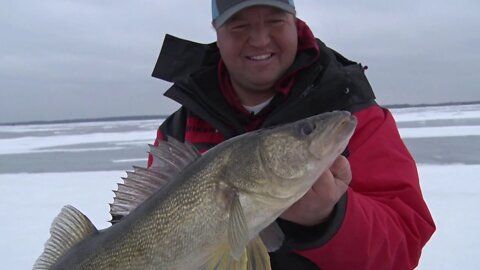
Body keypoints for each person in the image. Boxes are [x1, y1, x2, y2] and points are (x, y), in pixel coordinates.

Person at [148, 0, 436, 269]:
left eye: (275, 21)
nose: (260, 39)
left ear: (294, 21)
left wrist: (329, 220)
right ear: (217, 32)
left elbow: (404, 245)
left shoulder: (355, 113)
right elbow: (136, 226)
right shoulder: (177, 133)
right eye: (239, 26)